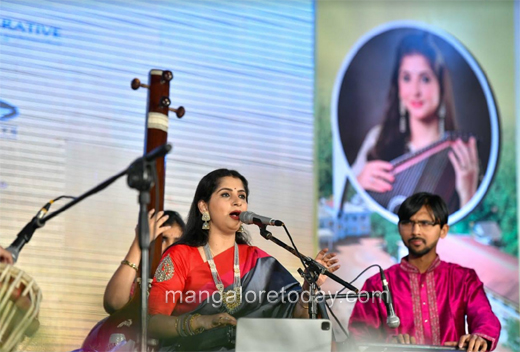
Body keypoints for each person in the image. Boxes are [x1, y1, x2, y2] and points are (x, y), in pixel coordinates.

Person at [147, 168, 339, 350]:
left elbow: (296, 319)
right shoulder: (180, 256)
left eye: (242, 196)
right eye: (226, 194)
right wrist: (202, 321)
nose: (237, 202)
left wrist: (308, 287)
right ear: (204, 206)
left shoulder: (257, 260)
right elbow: (153, 323)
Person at [348, 192, 501, 351]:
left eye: (425, 223)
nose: (415, 231)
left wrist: (480, 336)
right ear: (399, 228)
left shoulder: (463, 279)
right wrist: (387, 346)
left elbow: (485, 318)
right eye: (408, 223)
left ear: (443, 230)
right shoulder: (377, 285)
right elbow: (358, 337)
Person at [352, 33, 479, 210]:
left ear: (441, 85)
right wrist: (357, 183)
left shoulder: (462, 154)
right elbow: (344, 203)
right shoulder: (377, 139)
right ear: (398, 85)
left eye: (425, 78)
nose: (415, 91)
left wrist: (468, 192)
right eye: (406, 78)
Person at [103, 209, 186, 314]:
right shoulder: (138, 281)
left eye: (177, 242)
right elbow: (113, 304)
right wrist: (139, 242)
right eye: (163, 240)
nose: (170, 247)